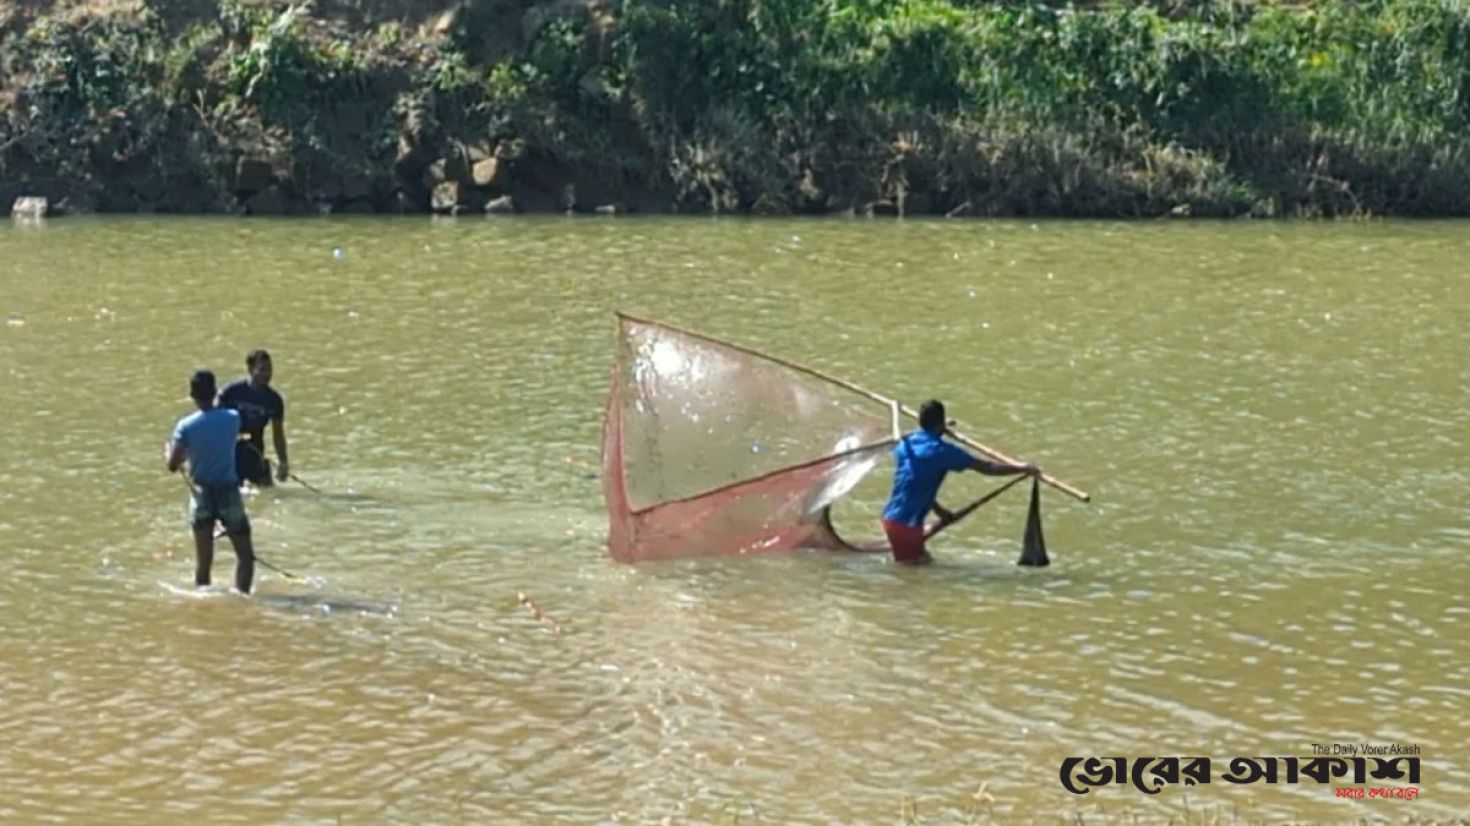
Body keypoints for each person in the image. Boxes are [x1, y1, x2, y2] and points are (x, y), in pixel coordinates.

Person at [881, 399, 1040, 565]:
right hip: (905, 526)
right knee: (915, 572)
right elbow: (988, 467)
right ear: (941, 424)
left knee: (922, 566)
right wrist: (1021, 468)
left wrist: (940, 511)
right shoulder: (940, 451)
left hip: (892, 518)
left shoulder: (906, 445)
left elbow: (914, 482)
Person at [166, 369, 255, 593]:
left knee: (204, 563)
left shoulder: (185, 426)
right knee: (245, 556)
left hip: (202, 494)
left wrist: (170, 453)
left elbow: (173, 464)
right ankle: (242, 598)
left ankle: (202, 599)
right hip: (229, 492)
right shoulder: (233, 418)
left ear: (193, 396)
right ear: (215, 392)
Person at [218, 349, 289, 488]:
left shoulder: (274, 400)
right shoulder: (230, 392)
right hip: (231, 449)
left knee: (266, 493)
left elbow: (278, 434)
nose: (267, 374)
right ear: (250, 370)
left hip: (255, 449)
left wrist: (283, 462)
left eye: (269, 369)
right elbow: (212, 420)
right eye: (262, 370)